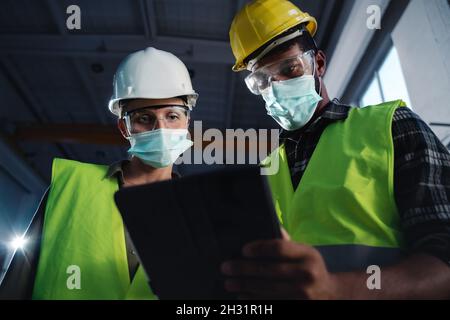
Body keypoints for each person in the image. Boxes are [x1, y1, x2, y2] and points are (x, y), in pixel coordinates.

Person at [221, 0, 450, 299]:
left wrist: (335, 290)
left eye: (289, 68)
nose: (276, 86)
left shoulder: (392, 127)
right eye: (262, 80)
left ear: (318, 63)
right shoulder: (263, 173)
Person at [0, 47, 198, 299]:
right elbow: (15, 286)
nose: (160, 129)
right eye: (144, 118)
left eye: (172, 116)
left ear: (187, 122)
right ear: (124, 127)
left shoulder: (197, 213)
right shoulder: (70, 186)